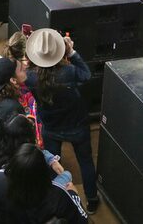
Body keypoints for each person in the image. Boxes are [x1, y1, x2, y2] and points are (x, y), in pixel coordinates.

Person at [25, 28, 99, 213]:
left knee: (52, 165)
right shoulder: (70, 71)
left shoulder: (31, 77)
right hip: (76, 127)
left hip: (51, 127)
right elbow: (87, 75)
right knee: (86, 162)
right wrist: (71, 52)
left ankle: (54, 200)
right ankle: (91, 200)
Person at [0, 143, 88, 223]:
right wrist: (74, 195)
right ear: (44, 171)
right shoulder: (59, 195)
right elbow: (82, 220)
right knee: (67, 175)